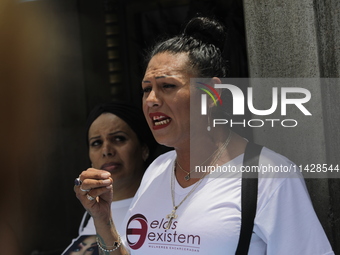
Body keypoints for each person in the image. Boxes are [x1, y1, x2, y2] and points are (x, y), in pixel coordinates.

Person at [73, 17, 334, 254]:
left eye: (167, 86)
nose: (152, 100)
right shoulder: (156, 171)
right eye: (146, 89)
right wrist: (103, 220)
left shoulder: (269, 177)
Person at [65, 101, 157, 255]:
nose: (106, 150)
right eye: (96, 143)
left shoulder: (162, 211)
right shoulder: (91, 210)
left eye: (119, 139)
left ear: (144, 149)